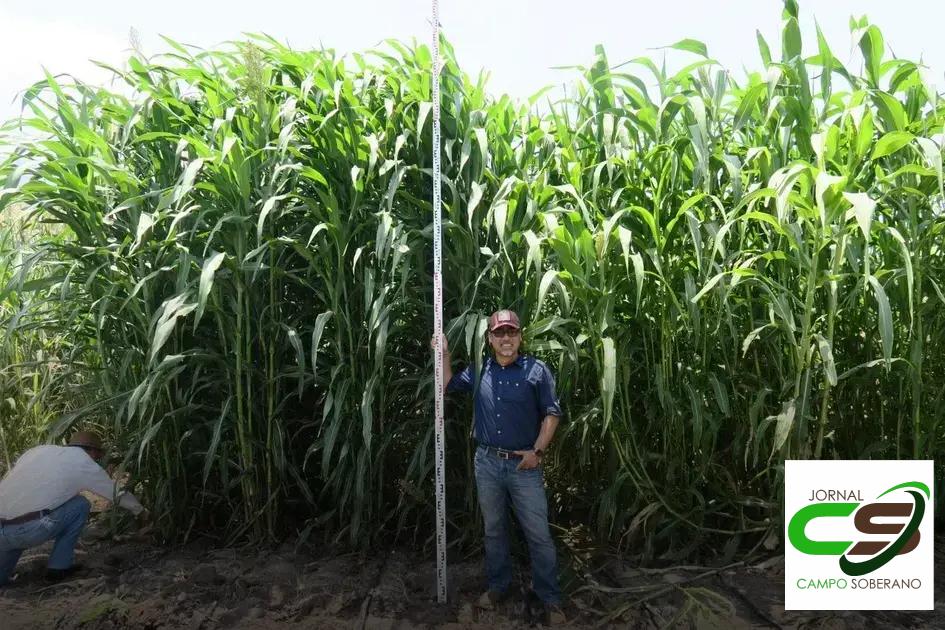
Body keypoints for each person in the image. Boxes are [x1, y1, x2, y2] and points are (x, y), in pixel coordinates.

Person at [435, 309, 566, 625]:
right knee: (494, 530)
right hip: (487, 463)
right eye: (499, 333)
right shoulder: (481, 371)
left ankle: (549, 598)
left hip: (525, 467)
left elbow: (552, 414)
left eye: (511, 332)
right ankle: (498, 587)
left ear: (520, 336)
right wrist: (444, 354)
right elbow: (447, 385)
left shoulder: (536, 370)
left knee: (538, 534)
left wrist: (537, 451)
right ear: (490, 339)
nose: (505, 338)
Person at [0, 430, 149, 586]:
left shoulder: (38, 451)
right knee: (80, 504)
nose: (97, 460)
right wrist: (141, 510)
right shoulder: (84, 462)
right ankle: (58, 569)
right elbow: (115, 493)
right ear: (92, 451)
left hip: (2, 530)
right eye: (97, 456)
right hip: (30, 529)